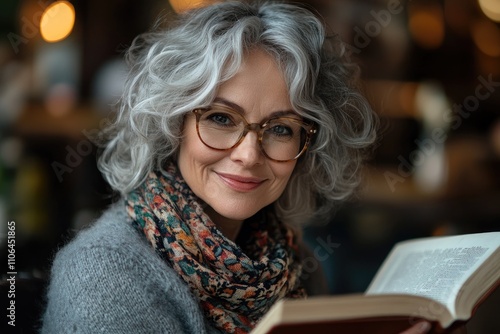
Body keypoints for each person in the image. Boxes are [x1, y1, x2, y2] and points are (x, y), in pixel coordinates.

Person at [41, 1, 447, 333]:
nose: (249, 154)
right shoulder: (103, 275)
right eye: (220, 118)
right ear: (172, 123)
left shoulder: (296, 266)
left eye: (282, 129)